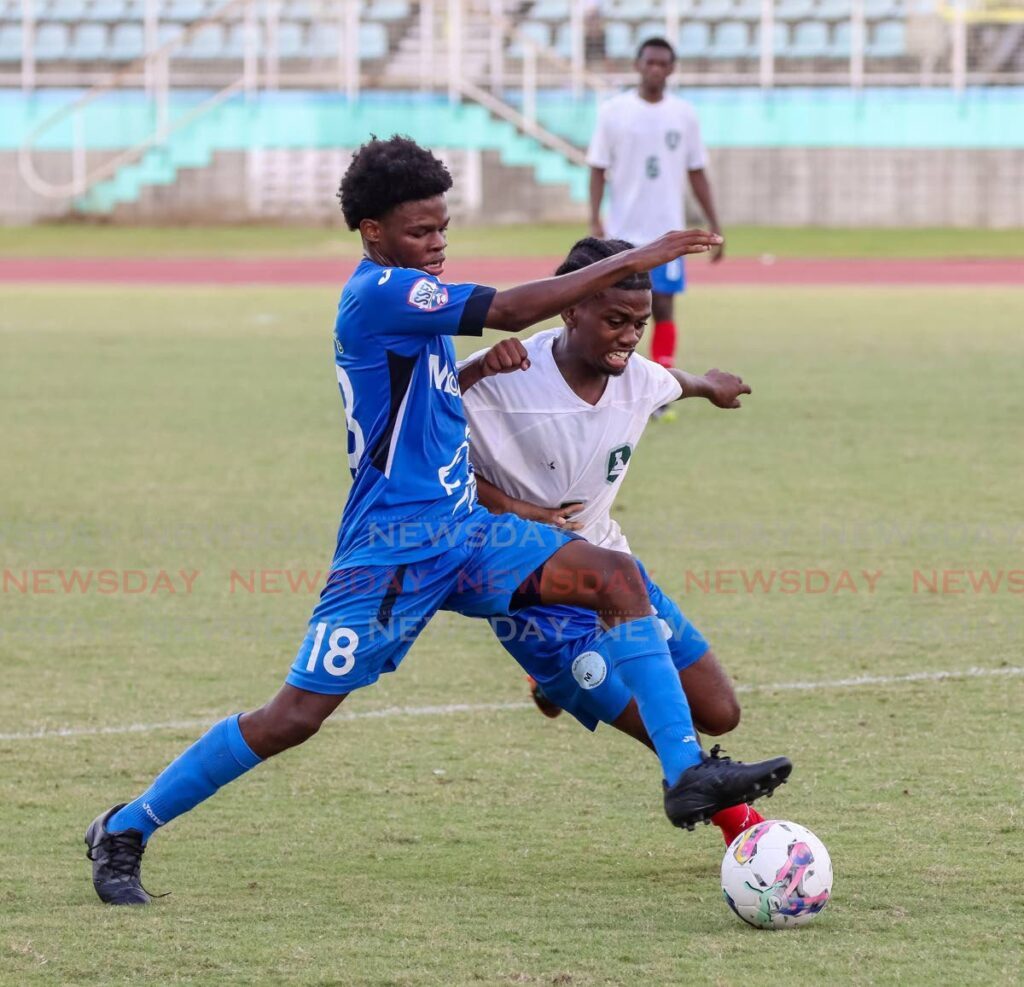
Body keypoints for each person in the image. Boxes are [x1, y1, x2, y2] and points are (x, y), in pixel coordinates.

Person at [84, 137, 790, 906]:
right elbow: (515, 308)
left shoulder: (405, 302)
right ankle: (126, 826)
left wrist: (472, 372)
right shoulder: (380, 292)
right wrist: (641, 253)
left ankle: (685, 771)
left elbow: (415, 389)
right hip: (391, 548)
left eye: (443, 229)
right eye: (421, 232)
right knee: (293, 716)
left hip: (467, 534)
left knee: (615, 575)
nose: (438, 245)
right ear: (373, 232)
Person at [459, 237, 765, 844]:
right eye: (616, 321)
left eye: (640, 323)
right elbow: (431, 466)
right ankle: (749, 836)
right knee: (664, 726)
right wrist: (523, 507)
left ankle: (551, 687)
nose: (630, 336)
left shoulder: (640, 378)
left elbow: (674, 380)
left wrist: (712, 384)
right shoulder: (506, 375)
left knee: (721, 713)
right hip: (535, 592)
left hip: (616, 573)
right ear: (571, 309)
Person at [587, 37, 723, 400]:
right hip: (622, 232)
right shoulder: (614, 111)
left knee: (662, 305)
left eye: (663, 64)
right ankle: (613, 380)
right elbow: (598, 167)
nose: (656, 70)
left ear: (672, 69)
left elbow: (697, 171)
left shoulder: (683, 114)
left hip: (668, 233)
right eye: (650, 62)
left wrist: (714, 221)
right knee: (614, 308)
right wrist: (594, 218)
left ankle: (661, 387)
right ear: (638, 65)